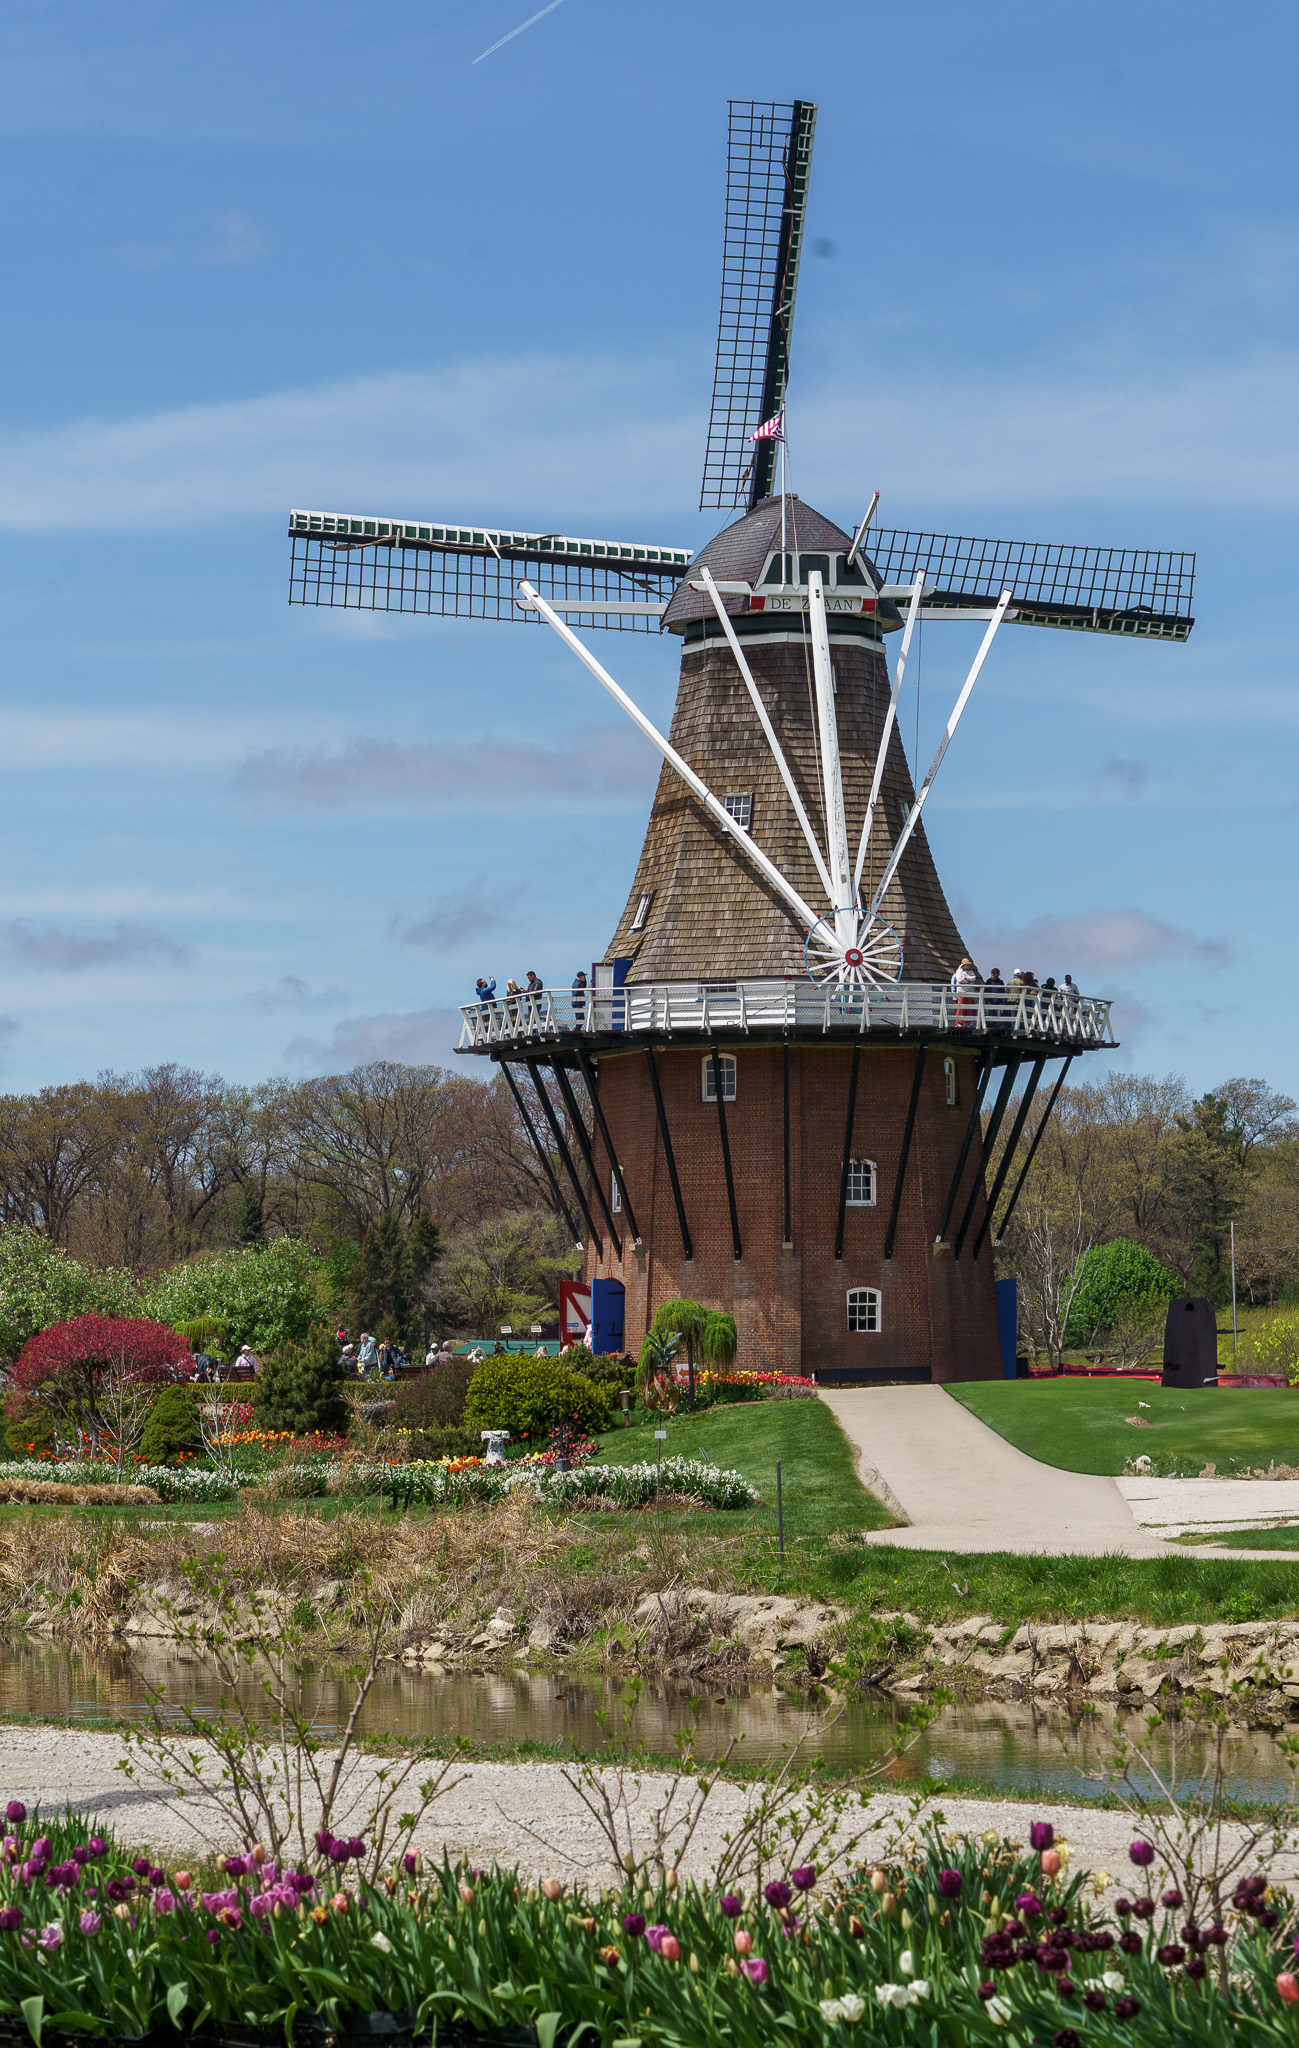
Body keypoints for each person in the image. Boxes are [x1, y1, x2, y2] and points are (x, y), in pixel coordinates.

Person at [950, 954, 981, 1028]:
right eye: (966, 964)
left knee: (968, 1007)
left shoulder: (970, 971)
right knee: (960, 1007)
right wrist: (968, 980)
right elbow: (960, 980)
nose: (968, 966)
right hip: (961, 991)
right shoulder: (959, 971)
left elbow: (974, 978)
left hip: (969, 992)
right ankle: (959, 1022)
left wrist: (966, 978)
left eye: (968, 964)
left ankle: (967, 1022)